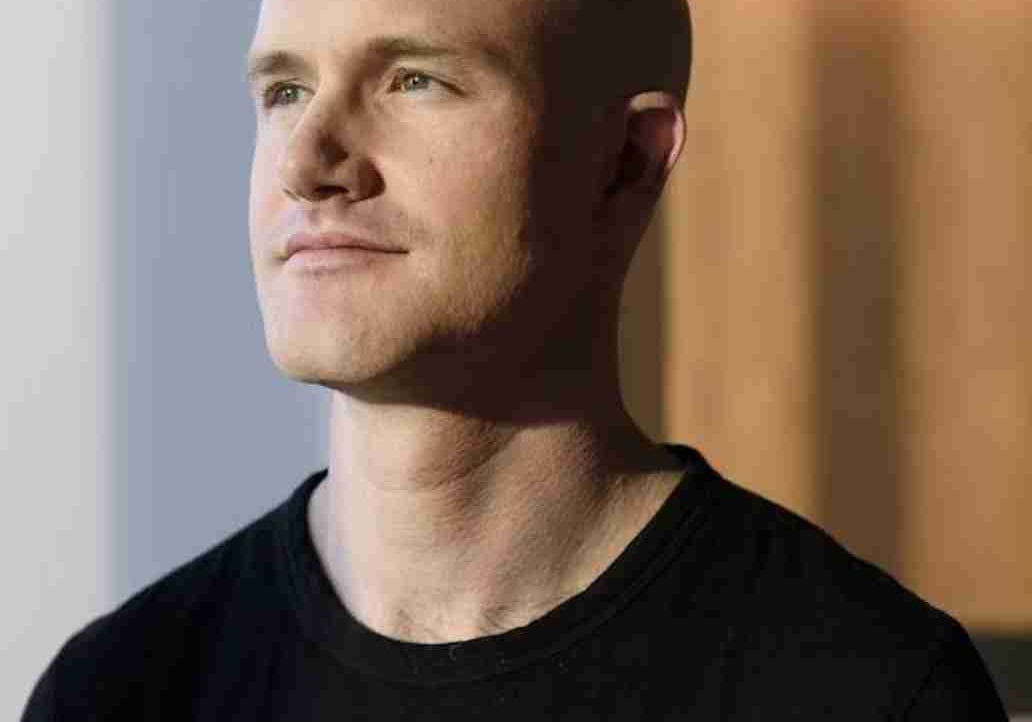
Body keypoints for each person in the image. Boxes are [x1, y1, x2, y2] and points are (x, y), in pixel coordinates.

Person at [23, 0, 1008, 718]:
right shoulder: (121, 689)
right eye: (285, 90)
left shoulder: (867, 689)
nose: (304, 162)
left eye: (413, 79)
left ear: (625, 161)